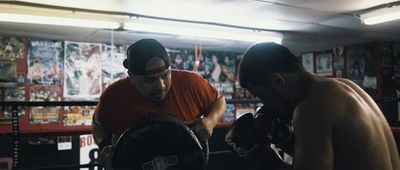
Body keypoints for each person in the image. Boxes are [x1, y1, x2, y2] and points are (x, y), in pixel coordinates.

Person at [234, 42, 400, 170]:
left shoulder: (311, 107)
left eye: (262, 96)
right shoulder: (344, 86)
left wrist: (266, 162)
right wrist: (286, 141)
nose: (265, 105)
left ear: (278, 81)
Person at [91, 39, 226, 168]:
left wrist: (210, 120)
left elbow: (218, 100)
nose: (160, 86)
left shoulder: (190, 83)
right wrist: (104, 147)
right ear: (131, 77)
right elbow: (98, 125)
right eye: (150, 80)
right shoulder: (115, 96)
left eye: (165, 75)